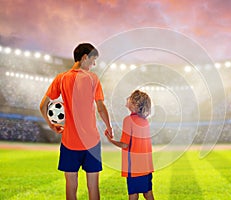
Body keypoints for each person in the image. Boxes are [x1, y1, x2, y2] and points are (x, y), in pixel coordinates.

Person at [40, 43, 112, 200]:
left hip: (69, 142)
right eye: (93, 60)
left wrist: (51, 124)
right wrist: (109, 127)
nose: (94, 65)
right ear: (85, 57)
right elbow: (100, 107)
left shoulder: (61, 78)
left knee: (71, 186)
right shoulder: (93, 78)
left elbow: (43, 105)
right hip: (91, 142)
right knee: (93, 186)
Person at [106, 90, 154, 200]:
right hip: (146, 166)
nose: (127, 98)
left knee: (133, 195)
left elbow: (124, 144)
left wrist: (110, 140)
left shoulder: (128, 120)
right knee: (148, 193)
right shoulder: (145, 121)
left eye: (130, 97)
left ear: (134, 104)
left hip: (134, 168)